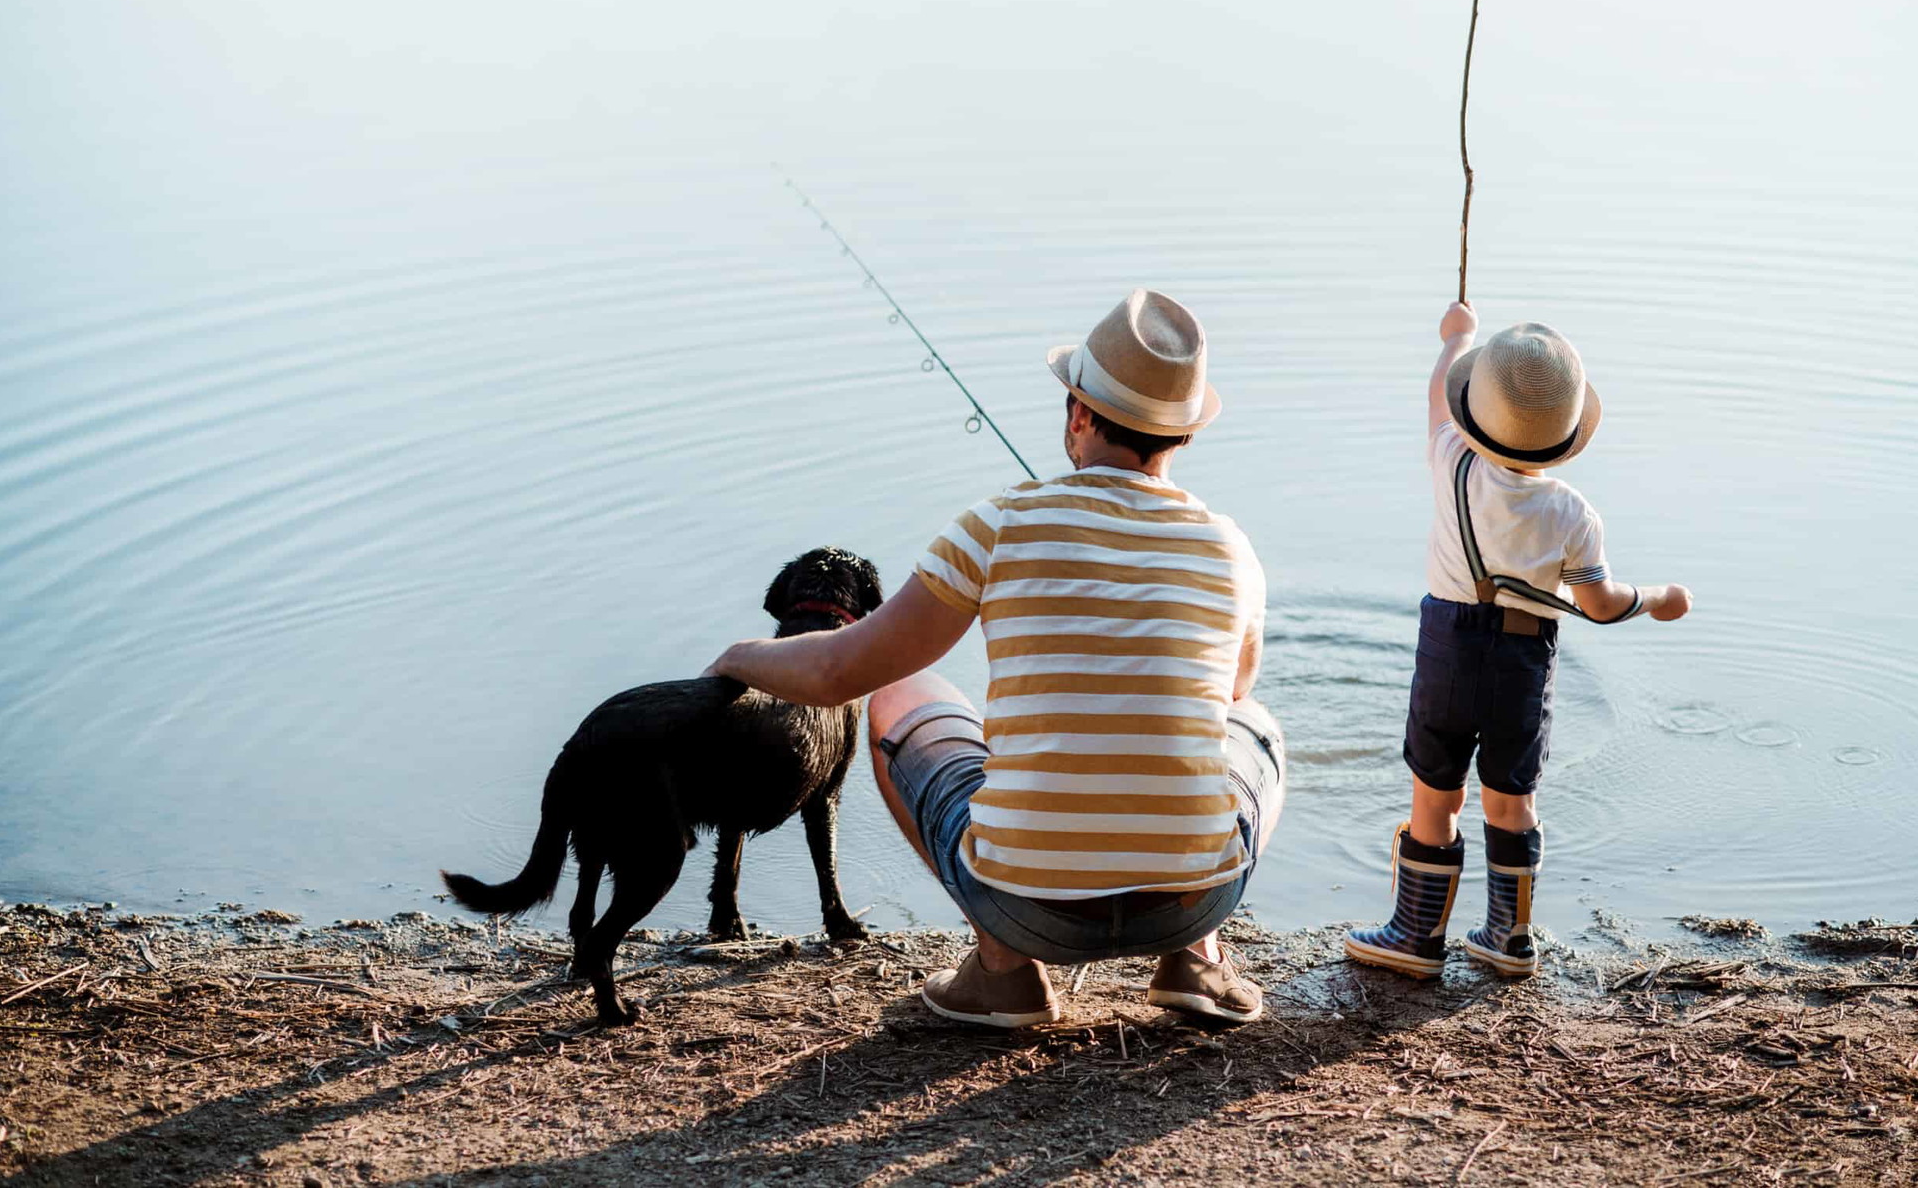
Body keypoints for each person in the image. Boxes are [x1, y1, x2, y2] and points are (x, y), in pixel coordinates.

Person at [707, 289, 1283, 1027]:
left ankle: (1004, 971)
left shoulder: (1001, 521)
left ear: (1079, 413)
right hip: (1191, 896)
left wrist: (739, 656)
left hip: (1022, 905)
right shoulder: (1230, 547)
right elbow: (1232, 691)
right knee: (1253, 723)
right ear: (1183, 435)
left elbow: (838, 673)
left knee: (897, 693)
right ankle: (1196, 958)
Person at [1344, 299, 1691, 980]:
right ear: (1563, 434)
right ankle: (1509, 940)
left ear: (1477, 411)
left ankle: (1416, 937)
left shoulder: (1452, 461)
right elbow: (1600, 602)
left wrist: (1457, 336)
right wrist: (1657, 600)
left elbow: (1435, 400)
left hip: (1446, 647)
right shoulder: (1571, 513)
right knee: (1511, 797)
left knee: (1434, 793)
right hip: (1524, 659)